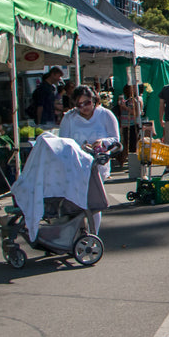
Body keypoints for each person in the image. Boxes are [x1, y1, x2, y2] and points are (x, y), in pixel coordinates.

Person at [58, 85, 119, 232]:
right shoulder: (69, 118)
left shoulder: (105, 115)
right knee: (76, 202)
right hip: (76, 165)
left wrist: (103, 142)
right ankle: (79, 232)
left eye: (87, 103)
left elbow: (116, 139)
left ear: (94, 100)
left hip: (97, 165)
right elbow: (62, 141)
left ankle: (93, 234)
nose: (84, 107)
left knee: (93, 201)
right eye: (79, 105)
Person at [117, 83, 142, 168]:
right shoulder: (125, 100)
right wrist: (121, 105)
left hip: (133, 124)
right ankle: (123, 160)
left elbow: (136, 113)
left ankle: (133, 161)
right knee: (125, 143)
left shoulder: (135, 100)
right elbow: (121, 112)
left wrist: (125, 107)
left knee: (133, 143)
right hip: (125, 124)